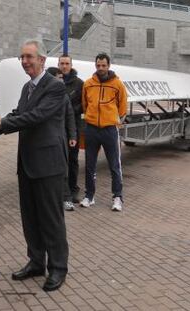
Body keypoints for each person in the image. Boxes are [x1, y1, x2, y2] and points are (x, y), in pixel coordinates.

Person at [0, 39, 69, 292]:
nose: (24, 62)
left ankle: (57, 268)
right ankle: (36, 262)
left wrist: (2, 124)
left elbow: (36, 117)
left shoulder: (54, 87)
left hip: (49, 164)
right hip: (28, 163)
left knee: (51, 219)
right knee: (30, 217)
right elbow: (19, 112)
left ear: (42, 60)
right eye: (22, 57)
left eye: (29, 57)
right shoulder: (26, 88)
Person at [80, 53, 127, 211]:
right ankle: (89, 196)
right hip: (92, 129)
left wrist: (114, 120)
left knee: (114, 165)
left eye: (103, 65)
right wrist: (91, 119)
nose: (101, 68)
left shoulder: (117, 84)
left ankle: (117, 197)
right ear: (95, 65)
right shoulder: (88, 84)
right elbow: (85, 104)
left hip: (109, 129)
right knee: (89, 165)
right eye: (98, 65)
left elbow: (122, 106)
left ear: (108, 66)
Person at [46, 67, 77, 211]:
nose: (62, 80)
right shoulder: (42, 95)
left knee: (63, 169)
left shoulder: (63, 96)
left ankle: (67, 198)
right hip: (45, 140)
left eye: (62, 78)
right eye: (59, 78)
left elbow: (70, 116)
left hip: (61, 139)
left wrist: (72, 136)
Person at [58, 54, 84, 204]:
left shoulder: (79, 84)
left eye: (67, 63)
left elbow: (84, 104)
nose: (64, 66)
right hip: (58, 127)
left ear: (71, 65)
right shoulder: (54, 81)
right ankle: (61, 190)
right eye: (62, 63)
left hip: (73, 127)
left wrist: (70, 109)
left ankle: (73, 189)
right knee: (59, 160)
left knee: (73, 160)